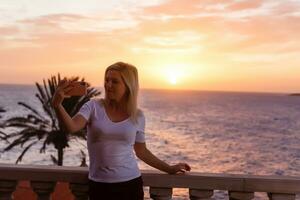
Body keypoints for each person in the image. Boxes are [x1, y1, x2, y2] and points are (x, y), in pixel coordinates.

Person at [51, 62, 191, 200]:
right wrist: (57, 105)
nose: (108, 85)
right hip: (100, 186)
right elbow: (72, 126)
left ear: (128, 86)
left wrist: (169, 169)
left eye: (115, 81)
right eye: (107, 80)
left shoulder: (138, 116)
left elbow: (142, 151)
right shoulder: (93, 106)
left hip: (130, 185)